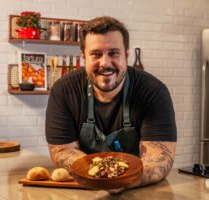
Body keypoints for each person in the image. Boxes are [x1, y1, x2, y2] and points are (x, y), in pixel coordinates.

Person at [45, 16, 177, 191]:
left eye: (114, 53)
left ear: (126, 55)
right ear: (84, 57)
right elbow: (62, 152)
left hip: (139, 191)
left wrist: (120, 179)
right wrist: (102, 177)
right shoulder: (63, 91)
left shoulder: (153, 92)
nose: (105, 63)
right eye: (96, 54)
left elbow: (160, 158)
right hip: (84, 191)